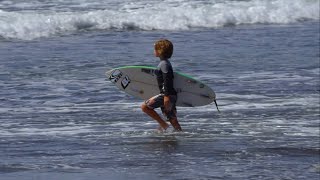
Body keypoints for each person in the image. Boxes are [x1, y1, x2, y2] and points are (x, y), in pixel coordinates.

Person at [141, 39, 182, 132]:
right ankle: (180, 134)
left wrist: (166, 97)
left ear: (160, 51)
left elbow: (167, 80)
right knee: (172, 118)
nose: (153, 51)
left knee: (145, 107)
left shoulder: (164, 64)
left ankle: (164, 125)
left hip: (166, 95)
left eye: (155, 49)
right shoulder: (165, 63)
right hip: (170, 95)